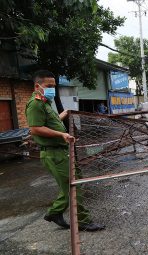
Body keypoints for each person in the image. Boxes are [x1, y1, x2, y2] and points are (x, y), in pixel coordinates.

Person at [25, 70, 105, 231]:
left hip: (61, 151)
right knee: (73, 186)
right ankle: (82, 220)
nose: (52, 89)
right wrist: (61, 134)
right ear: (37, 86)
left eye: (54, 86)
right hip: (53, 153)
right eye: (48, 86)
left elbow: (51, 122)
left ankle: (55, 212)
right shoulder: (35, 104)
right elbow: (35, 129)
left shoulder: (45, 102)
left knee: (74, 182)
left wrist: (64, 113)